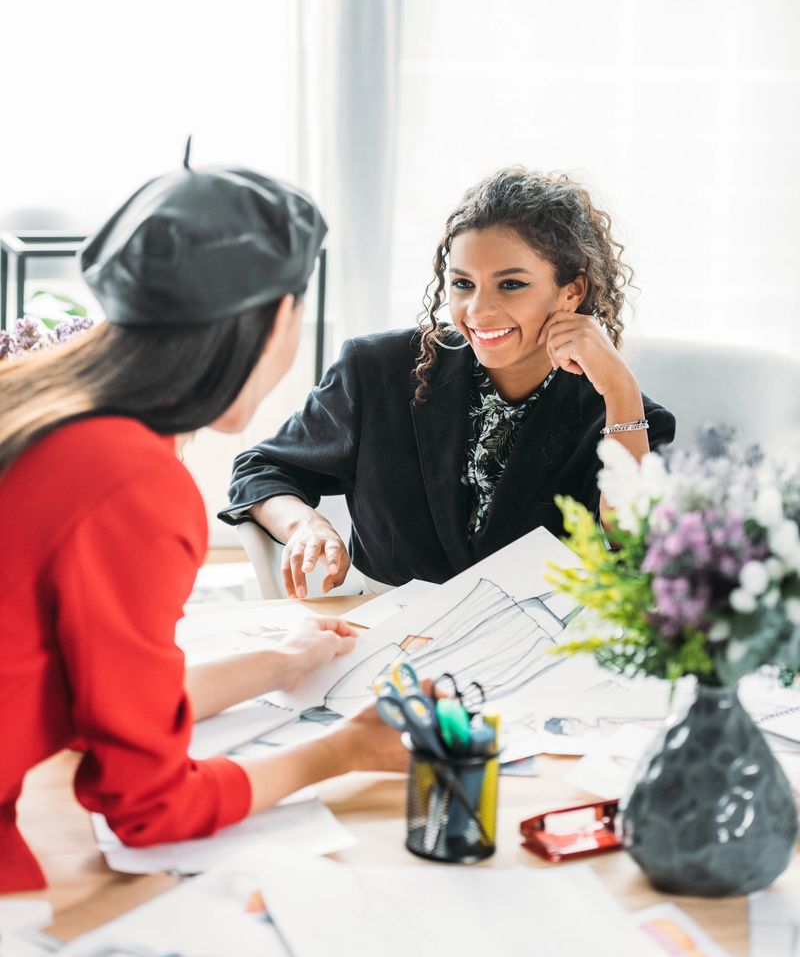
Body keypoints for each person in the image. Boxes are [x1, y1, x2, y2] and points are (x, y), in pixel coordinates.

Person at [0, 157, 403, 893]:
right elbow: (150, 806)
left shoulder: (29, 397)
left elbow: (105, 702)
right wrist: (344, 751)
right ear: (280, 318)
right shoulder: (130, 480)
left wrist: (282, 662)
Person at [221, 167, 676, 597]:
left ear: (571, 291)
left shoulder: (620, 411)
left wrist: (620, 389)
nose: (478, 311)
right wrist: (304, 524)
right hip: (381, 629)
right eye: (462, 284)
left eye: (511, 284)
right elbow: (261, 470)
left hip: (536, 640)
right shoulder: (376, 369)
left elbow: (635, 548)